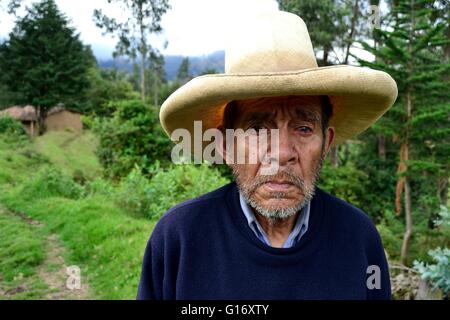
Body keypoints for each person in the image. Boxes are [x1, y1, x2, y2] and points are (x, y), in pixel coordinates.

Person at [137, 11, 398, 300]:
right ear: (225, 144)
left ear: (326, 142)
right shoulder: (179, 238)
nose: (282, 153)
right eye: (258, 128)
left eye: (303, 127)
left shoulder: (359, 239)